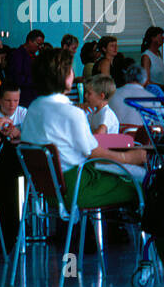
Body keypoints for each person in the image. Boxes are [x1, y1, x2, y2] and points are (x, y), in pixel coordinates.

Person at [20, 48, 146, 209]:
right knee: (139, 186)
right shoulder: (71, 113)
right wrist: (130, 157)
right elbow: (94, 153)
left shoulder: (32, 109)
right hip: (77, 189)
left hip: (47, 193)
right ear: (65, 76)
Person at [6, 30, 44, 107]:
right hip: (23, 99)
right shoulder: (17, 55)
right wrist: (36, 80)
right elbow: (16, 78)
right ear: (30, 41)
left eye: (41, 45)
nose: (39, 47)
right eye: (38, 44)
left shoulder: (34, 56)